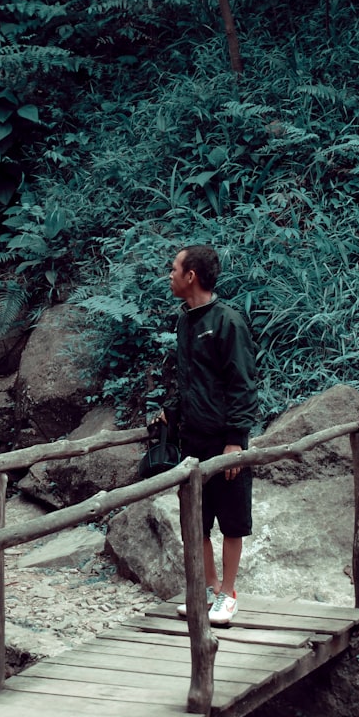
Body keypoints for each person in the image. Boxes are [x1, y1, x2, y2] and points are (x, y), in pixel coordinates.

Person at [159, 245, 258, 625]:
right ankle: (209, 587)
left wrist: (235, 439)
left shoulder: (228, 321)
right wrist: (171, 412)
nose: (169, 276)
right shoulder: (185, 320)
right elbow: (189, 378)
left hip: (225, 439)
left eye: (174, 270)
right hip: (193, 439)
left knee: (232, 520)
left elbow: (243, 383)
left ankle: (228, 593)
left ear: (191, 276)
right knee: (195, 521)